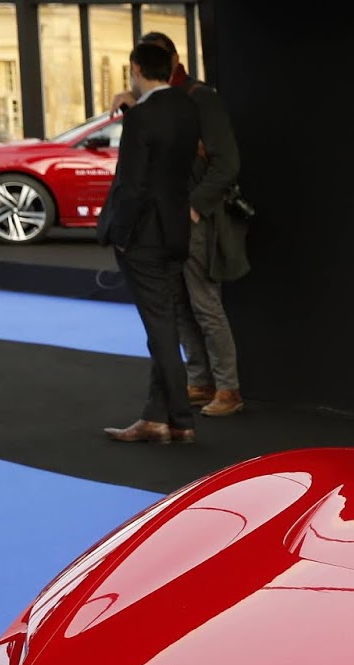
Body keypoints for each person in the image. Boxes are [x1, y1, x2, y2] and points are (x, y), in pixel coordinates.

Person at [113, 32, 249, 417]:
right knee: (180, 303)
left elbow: (226, 163)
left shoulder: (200, 98)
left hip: (191, 216)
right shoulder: (161, 101)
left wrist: (194, 207)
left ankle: (228, 388)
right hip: (169, 217)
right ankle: (200, 379)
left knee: (204, 303)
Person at [98, 41, 202, 444]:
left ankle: (180, 420)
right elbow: (167, 159)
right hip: (176, 231)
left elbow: (133, 184)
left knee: (160, 330)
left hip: (143, 238)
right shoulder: (187, 107)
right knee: (165, 325)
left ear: (135, 69)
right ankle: (156, 419)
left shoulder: (143, 117)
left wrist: (122, 236)